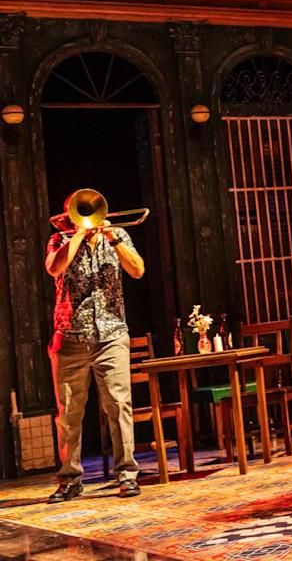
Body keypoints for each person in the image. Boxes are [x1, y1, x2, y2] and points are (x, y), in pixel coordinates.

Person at [44, 199, 146, 502]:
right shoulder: (59, 239)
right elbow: (54, 268)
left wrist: (112, 237)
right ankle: (70, 480)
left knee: (119, 405)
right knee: (68, 414)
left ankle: (127, 475)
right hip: (70, 338)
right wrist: (78, 235)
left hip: (111, 335)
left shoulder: (118, 235)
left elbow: (138, 270)